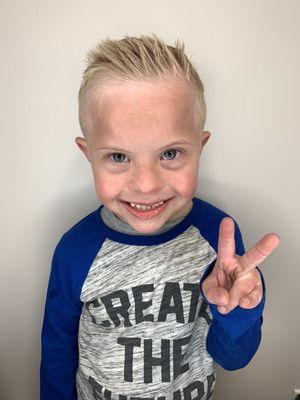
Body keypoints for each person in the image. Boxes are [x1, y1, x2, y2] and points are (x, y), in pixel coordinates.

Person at [40, 34, 280, 400]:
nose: (146, 185)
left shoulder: (219, 238)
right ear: (88, 155)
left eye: (170, 153)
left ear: (199, 147)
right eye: (118, 157)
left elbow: (233, 359)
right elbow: (57, 354)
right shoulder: (76, 250)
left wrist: (239, 312)